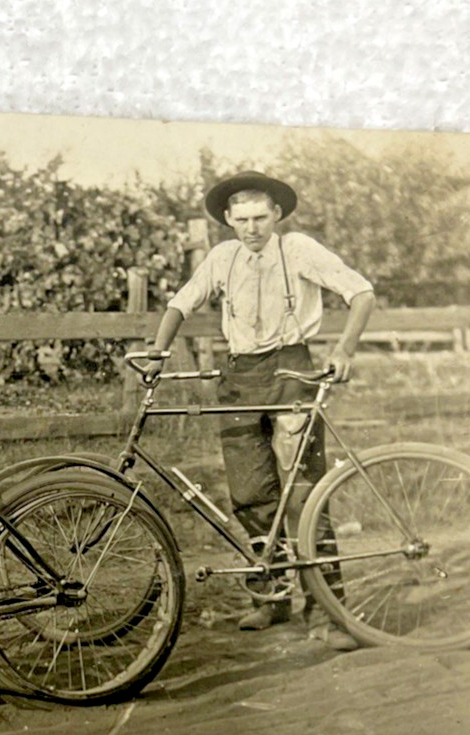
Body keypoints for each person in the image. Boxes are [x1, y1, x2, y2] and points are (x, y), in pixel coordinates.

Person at [147, 171, 377, 651]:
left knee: (303, 494)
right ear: (228, 220)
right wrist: (158, 351)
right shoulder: (222, 257)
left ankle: (329, 613)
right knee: (250, 492)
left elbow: (361, 292)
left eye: (260, 217)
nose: (252, 228)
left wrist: (346, 350)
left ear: (276, 215)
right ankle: (271, 596)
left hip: (292, 369)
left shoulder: (297, 249)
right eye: (242, 219)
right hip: (239, 377)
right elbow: (180, 303)